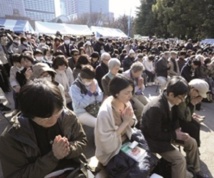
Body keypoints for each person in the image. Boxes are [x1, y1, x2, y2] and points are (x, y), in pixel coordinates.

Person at [0, 79, 87, 178]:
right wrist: (54, 156)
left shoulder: (67, 116)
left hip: (74, 171)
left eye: (57, 114)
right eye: (46, 118)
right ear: (29, 114)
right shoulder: (12, 137)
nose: (54, 120)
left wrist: (68, 149)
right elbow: (16, 175)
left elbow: (82, 140)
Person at [141, 76, 204, 178]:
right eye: (181, 97)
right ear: (171, 94)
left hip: (167, 134)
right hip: (152, 141)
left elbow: (175, 120)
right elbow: (155, 134)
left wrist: (178, 130)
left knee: (192, 143)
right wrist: (175, 134)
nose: (182, 100)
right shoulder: (156, 108)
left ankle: (195, 172)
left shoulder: (172, 101)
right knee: (179, 160)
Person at [95, 75, 155, 178]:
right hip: (114, 150)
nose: (130, 95)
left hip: (128, 140)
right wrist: (125, 122)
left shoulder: (126, 103)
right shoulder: (105, 113)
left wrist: (129, 120)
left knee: (148, 158)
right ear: (116, 93)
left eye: (131, 91)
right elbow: (106, 142)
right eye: (127, 92)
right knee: (137, 171)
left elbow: (132, 124)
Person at [177, 79, 209, 147]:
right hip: (175, 119)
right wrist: (192, 103)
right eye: (198, 95)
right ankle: (191, 148)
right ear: (193, 90)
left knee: (197, 125)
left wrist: (193, 104)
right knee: (193, 128)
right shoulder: (184, 96)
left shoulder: (189, 94)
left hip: (182, 116)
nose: (198, 97)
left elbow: (190, 114)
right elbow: (186, 118)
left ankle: (196, 147)